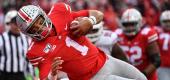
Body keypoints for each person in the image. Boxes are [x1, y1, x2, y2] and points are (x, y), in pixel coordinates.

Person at [16, 2, 147, 80]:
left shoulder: (59, 11)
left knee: (142, 78)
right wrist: (51, 76)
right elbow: (45, 77)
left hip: (105, 59)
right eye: (33, 27)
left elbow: (98, 14)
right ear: (27, 33)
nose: (39, 27)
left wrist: (90, 21)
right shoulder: (35, 51)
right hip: (91, 78)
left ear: (43, 14)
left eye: (39, 21)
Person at [115, 8, 161, 80]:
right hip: (124, 76)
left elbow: (156, 61)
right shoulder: (117, 35)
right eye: (126, 25)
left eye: (132, 24)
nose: (129, 28)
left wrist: (142, 75)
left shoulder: (146, 34)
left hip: (146, 76)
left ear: (139, 22)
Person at [0, 10, 35, 80]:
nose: (17, 26)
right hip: (4, 74)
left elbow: (28, 60)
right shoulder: (2, 38)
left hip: (20, 75)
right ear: (10, 24)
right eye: (15, 24)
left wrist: (33, 75)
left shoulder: (26, 40)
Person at [154, 10, 170, 80]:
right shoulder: (156, 31)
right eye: (165, 21)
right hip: (162, 66)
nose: (168, 24)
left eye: (169, 21)